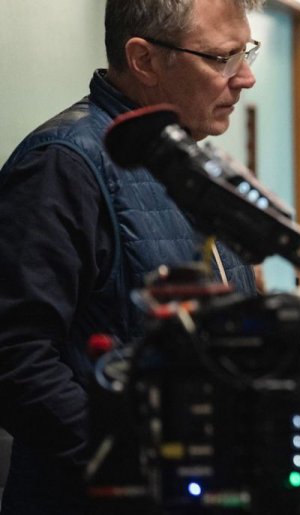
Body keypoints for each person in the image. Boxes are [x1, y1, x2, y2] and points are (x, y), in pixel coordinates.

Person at [0, 0, 263, 512]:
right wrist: (140, 465)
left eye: (246, 52)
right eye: (221, 58)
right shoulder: (64, 165)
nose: (245, 78)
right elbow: (16, 359)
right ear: (144, 60)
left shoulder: (192, 162)